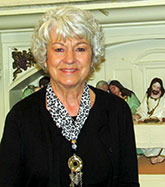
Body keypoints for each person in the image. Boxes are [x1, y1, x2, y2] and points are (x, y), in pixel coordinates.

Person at [0, 6, 139, 187]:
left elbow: (128, 182)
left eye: (80, 49)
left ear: (93, 56)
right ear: (44, 57)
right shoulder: (21, 116)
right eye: (59, 49)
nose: (69, 59)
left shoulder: (117, 111)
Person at [133, 77, 165, 164]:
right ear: (151, 86)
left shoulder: (163, 96)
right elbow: (143, 109)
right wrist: (139, 115)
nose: (156, 89)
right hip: (147, 121)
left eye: (158, 87)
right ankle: (152, 154)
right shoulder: (147, 96)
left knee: (161, 133)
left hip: (160, 120)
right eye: (154, 86)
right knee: (144, 134)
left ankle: (162, 153)